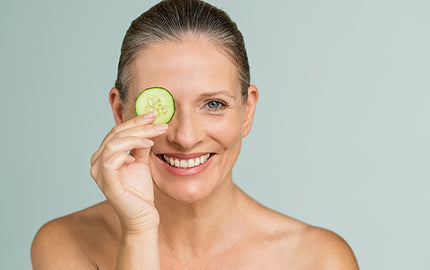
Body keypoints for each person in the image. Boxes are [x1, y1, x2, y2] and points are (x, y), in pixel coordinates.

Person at [31, 0, 359, 269]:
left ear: (247, 111)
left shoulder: (319, 259)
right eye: (160, 109)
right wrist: (140, 230)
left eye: (213, 104)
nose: (185, 137)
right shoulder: (66, 244)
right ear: (120, 113)